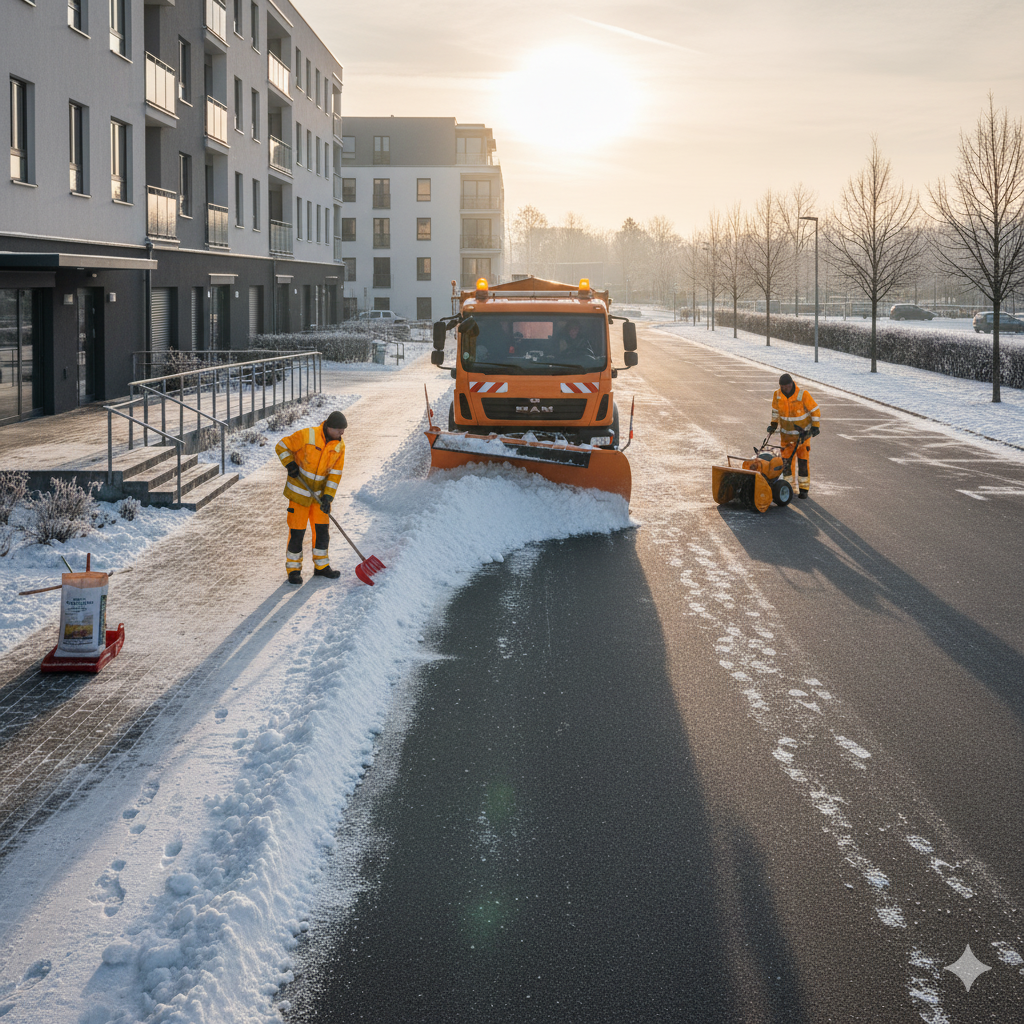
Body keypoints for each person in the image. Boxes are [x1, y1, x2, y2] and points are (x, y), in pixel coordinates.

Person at [275, 411, 347, 584]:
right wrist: (290, 464)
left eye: (343, 430)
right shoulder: (308, 435)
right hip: (299, 495)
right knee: (297, 533)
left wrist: (328, 498)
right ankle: (293, 570)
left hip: (319, 498)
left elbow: (335, 474)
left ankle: (321, 566)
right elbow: (282, 446)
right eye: (339, 430)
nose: (342, 433)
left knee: (322, 532)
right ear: (329, 427)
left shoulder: (339, 446)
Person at [767, 373, 820, 499]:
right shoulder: (777, 394)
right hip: (786, 437)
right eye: (782, 387)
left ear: (791, 384)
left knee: (803, 462)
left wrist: (815, 426)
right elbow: (775, 411)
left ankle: (804, 489)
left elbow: (815, 410)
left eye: (786, 386)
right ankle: (788, 487)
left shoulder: (803, 395)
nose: (784, 389)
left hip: (802, 437)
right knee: (786, 463)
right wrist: (773, 425)